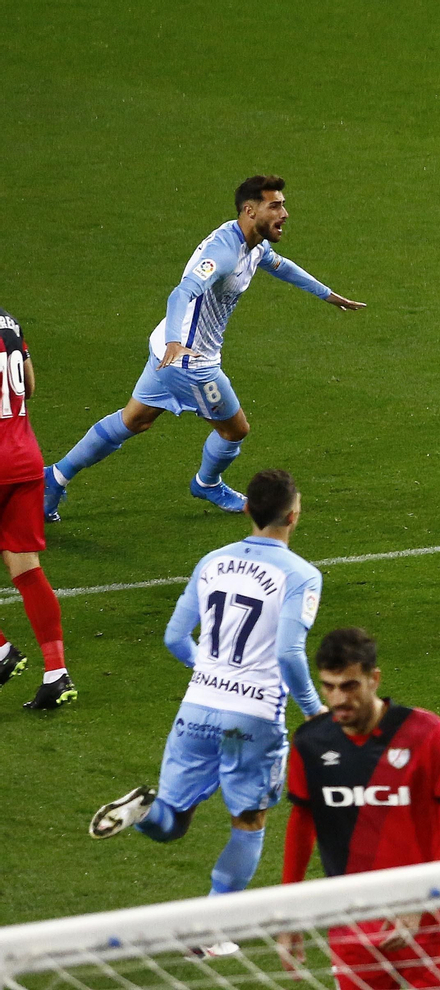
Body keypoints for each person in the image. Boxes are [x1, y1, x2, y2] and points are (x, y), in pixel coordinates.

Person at [88, 469, 325, 953]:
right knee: (249, 820)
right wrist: (315, 711)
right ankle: (211, 932)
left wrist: (211, 671)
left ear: (246, 510)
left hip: (197, 706)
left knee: (172, 819)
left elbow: (175, 636)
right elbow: (287, 653)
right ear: (293, 515)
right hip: (253, 718)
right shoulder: (301, 575)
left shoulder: (212, 561)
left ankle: (143, 811)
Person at [43, 175, 364, 520]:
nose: (284, 213)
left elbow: (280, 266)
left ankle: (55, 476)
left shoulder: (252, 243)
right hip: (189, 360)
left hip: (168, 349)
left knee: (133, 420)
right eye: (275, 205)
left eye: (283, 204)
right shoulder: (222, 253)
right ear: (250, 210)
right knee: (234, 430)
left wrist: (327, 294)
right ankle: (207, 483)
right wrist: (175, 344)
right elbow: (181, 292)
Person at [276, 627, 440, 990]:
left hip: (431, 922)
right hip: (354, 922)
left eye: (350, 686)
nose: (338, 699)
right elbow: (302, 823)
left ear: (374, 679)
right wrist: (288, 915)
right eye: (329, 686)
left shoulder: (424, 732)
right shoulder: (311, 743)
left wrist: (420, 898)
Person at [0, 305, 75, 709]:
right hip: (25, 459)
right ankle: (56, 673)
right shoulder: (10, 321)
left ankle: (1, 654)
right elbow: (28, 386)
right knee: (26, 570)